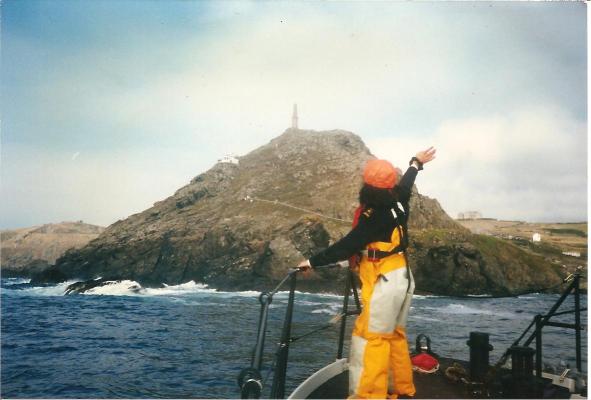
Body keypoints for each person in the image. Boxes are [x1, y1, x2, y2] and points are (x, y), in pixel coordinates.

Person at [298, 147, 436, 399]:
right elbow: (407, 183)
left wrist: (311, 261)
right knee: (393, 334)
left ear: (367, 186)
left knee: (369, 338)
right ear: (390, 184)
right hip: (402, 276)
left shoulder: (373, 216)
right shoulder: (399, 201)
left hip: (385, 281)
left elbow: (347, 246)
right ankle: (400, 388)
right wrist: (415, 163)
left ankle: (368, 396)